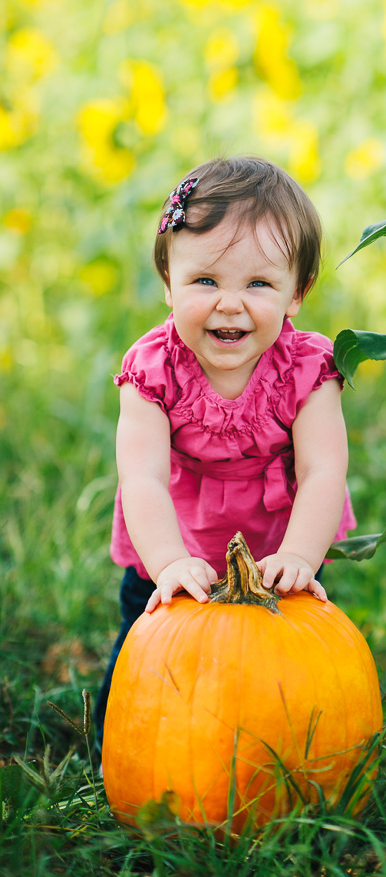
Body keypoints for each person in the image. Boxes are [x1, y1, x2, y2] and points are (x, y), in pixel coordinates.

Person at [94, 156, 355, 753]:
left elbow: (323, 473)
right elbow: (142, 480)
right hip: (175, 544)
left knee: (291, 674)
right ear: (168, 282)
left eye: (258, 283)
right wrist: (166, 563)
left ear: (298, 293)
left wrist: (300, 556)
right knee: (145, 668)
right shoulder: (152, 370)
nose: (230, 304)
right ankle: (128, 750)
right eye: (205, 281)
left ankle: (286, 750)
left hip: (278, 554)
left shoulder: (310, 369)